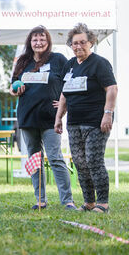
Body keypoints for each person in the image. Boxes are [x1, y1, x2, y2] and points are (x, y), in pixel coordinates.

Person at [10, 25, 76, 210]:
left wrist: (65, 105)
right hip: (28, 116)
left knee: (55, 157)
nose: (38, 43)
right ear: (30, 42)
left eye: (42, 39)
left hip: (50, 117)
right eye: (35, 39)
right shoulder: (22, 61)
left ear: (48, 42)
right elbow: (12, 88)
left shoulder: (58, 60)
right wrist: (16, 89)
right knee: (34, 158)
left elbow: (70, 83)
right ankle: (40, 199)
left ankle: (67, 200)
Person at [55, 23, 117, 213]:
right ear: (70, 45)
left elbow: (112, 89)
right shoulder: (70, 65)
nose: (78, 46)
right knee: (80, 163)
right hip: (74, 122)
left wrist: (108, 113)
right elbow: (64, 94)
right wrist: (59, 118)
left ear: (91, 42)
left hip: (96, 122)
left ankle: (103, 203)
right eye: (75, 43)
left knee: (93, 160)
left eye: (83, 42)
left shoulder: (100, 63)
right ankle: (89, 202)